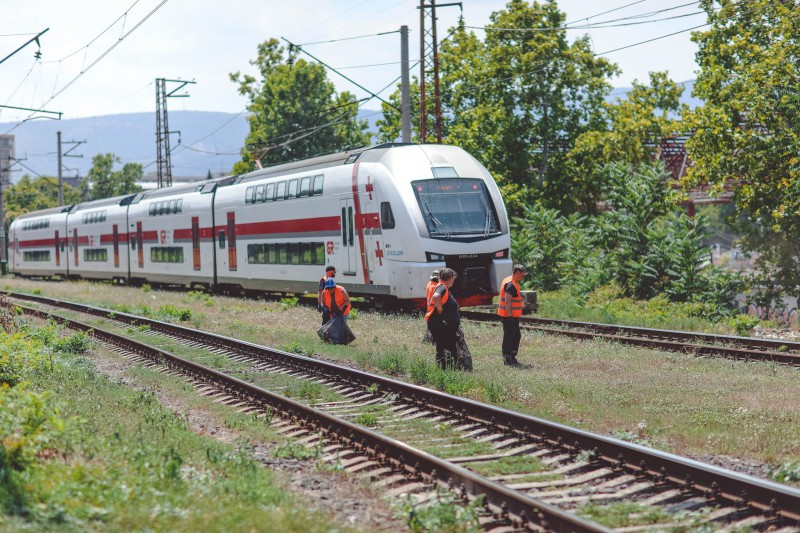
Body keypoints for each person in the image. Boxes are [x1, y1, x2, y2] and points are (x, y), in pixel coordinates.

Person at [425, 268, 460, 369]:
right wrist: (440, 309)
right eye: (453, 278)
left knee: (442, 345)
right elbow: (436, 297)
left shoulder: (443, 287)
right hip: (439, 322)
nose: (454, 280)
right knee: (445, 345)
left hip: (439, 322)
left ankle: (443, 367)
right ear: (449, 278)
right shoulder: (442, 287)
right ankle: (446, 368)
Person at [498, 264, 526, 366]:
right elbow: (508, 302)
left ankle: (512, 356)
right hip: (508, 315)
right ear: (517, 273)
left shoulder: (509, 280)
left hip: (511, 315)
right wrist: (509, 316)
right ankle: (507, 359)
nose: (522, 277)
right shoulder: (510, 284)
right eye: (522, 275)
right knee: (509, 336)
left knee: (516, 335)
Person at [320, 277, 354, 344]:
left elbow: (347, 301)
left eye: (332, 288)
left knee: (342, 325)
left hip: (343, 312)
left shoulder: (341, 290)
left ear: (334, 286)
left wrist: (343, 310)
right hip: (333, 312)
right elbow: (322, 302)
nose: (330, 290)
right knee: (334, 326)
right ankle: (335, 340)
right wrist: (324, 308)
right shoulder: (325, 292)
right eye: (329, 288)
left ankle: (343, 341)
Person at [422, 270, 439, 344]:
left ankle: (427, 341)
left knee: (431, 325)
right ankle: (432, 341)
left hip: (429, 308)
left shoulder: (429, 284)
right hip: (434, 308)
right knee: (435, 326)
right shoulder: (436, 286)